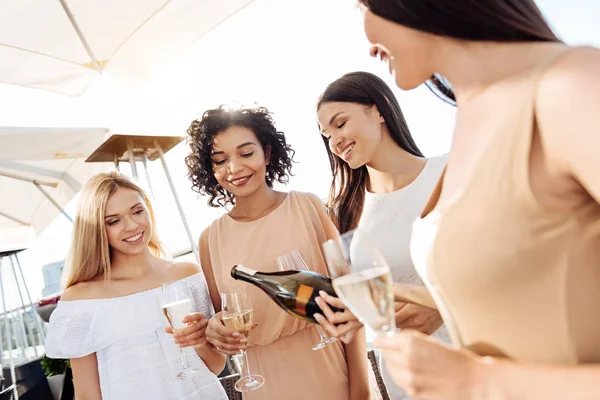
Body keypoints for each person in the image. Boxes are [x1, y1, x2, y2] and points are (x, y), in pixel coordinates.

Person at [324, 1, 600, 399]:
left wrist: (479, 381)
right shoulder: (472, 120)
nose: (369, 42)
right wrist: (382, 308)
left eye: (366, 6)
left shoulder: (569, 86)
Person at [184, 105, 376, 399]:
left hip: (330, 371)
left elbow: (351, 303)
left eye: (246, 153)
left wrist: (360, 390)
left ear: (268, 153)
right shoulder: (210, 239)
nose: (234, 168)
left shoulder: (308, 207)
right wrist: (215, 330)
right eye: (220, 160)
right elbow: (223, 328)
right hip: (263, 384)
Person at [314, 71, 450, 399]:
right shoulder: (344, 211)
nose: (334, 141)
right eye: (326, 134)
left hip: (473, 361)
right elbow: (357, 307)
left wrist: (444, 307)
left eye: (340, 123)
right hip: (406, 381)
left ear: (378, 110)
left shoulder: (447, 173)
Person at [45, 172, 227, 400]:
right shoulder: (81, 300)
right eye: (113, 221)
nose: (132, 226)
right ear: (96, 229)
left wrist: (199, 341)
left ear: (148, 209)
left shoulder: (186, 275)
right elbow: (87, 394)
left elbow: (216, 365)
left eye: (137, 211)